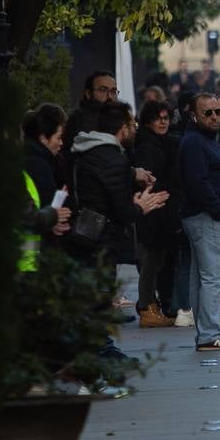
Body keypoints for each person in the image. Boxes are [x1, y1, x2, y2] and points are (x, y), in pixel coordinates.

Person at [70, 102, 170, 360]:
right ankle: (99, 350)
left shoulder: (91, 151)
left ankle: (100, 345)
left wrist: (131, 174)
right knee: (99, 294)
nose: (134, 129)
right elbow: (122, 211)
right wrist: (141, 207)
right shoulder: (111, 158)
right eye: (132, 125)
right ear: (122, 128)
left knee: (97, 293)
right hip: (99, 237)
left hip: (91, 233)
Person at [178, 92, 220, 351]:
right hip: (206, 218)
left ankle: (206, 333)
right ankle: (208, 335)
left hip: (203, 216)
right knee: (213, 278)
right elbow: (198, 182)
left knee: (202, 278)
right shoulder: (195, 142)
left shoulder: (203, 139)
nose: (215, 116)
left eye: (218, 111)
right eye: (208, 112)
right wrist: (219, 210)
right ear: (194, 115)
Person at [131, 100, 183, 327]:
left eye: (166, 118)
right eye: (158, 118)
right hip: (152, 210)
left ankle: (154, 306)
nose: (163, 122)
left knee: (158, 259)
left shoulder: (163, 143)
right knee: (150, 261)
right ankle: (147, 308)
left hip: (162, 210)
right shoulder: (147, 146)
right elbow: (148, 181)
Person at [21, 104, 73, 268]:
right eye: (58, 137)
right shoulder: (39, 164)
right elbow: (35, 210)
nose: (61, 143)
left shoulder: (36, 159)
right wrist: (54, 216)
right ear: (43, 138)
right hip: (31, 246)